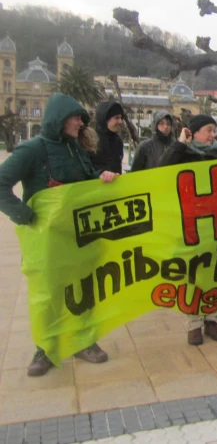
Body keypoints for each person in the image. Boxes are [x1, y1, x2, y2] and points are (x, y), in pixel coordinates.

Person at [0, 93, 118, 376]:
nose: (81, 123)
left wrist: (101, 177)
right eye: (76, 118)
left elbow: (85, 181)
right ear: (59, 119)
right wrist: (26, 215)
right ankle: (45, 348)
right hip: (48, 240)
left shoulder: (77, 149)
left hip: (79, 235)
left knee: (84, 289)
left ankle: (83, 342)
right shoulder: (32, 150)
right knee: (49, 293)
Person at [158, 114, 217, 345]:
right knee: (193, 275)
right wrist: (180, 142)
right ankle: (194, 324)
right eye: (207, 130)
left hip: (216, 227)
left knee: (215, 274)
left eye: (214, 130)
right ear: (192, 132)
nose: (212, 135)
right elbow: (161, 169)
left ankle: (212, 320)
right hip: (190, 226)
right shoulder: (182, 154)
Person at [89, 101, 125, 174]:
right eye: (117, 118)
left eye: (121, 118)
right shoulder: (91, 140)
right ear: (105, 119)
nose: (120, 121)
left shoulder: (118, 141)